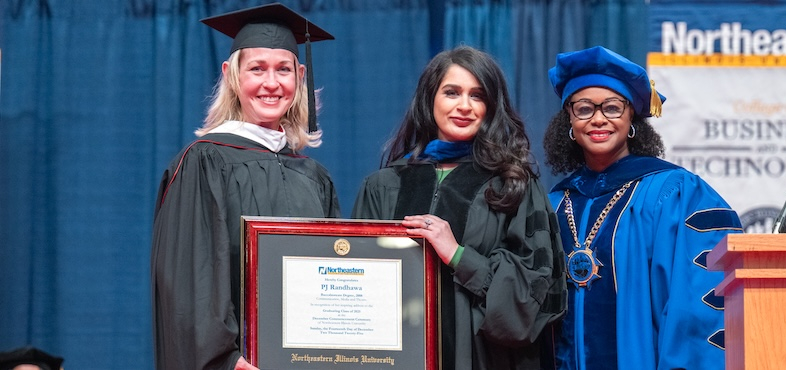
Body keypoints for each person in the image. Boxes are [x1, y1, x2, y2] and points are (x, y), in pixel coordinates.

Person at [352, 46, 567, 369]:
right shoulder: (385, 185)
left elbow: (530, 297)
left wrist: (458, 256)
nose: (464, 106)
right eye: (452, 92)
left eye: (477, 96)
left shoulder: (513, 186)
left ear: (491, 107)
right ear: (430, 100)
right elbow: (359, 287)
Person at [150, 3, 339, 370]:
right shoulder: (204, 163)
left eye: (283, 70)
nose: (272, 83)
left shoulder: (314, 176)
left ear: (300, 75)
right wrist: (227, 360)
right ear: (231, 74)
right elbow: (190, 281)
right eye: (257, 69)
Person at [542, 45, 743, 369]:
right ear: (569, 120)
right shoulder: (555, 204)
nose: (598, 119)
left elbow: (695, 310)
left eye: (612, 108)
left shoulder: (674, 194)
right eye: (584, 109)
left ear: (631, 117)